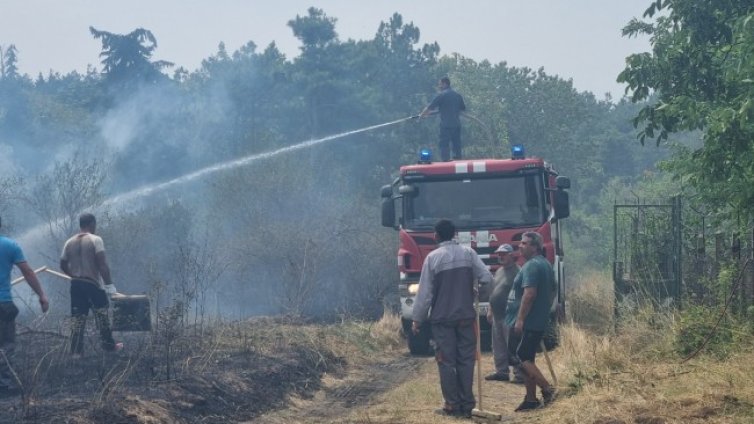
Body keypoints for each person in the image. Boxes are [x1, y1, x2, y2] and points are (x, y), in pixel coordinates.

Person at [411, 219, 493, 418]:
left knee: (446, 362)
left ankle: (452, 405)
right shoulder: (469, 254)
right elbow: (488, 279)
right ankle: (467, 405)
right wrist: (480, 295)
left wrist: (417, 319)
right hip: (466, 317)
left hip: (442, 320)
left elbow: (425, 294)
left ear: (436, 236)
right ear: (455, 233)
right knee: (466, 361)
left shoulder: (432, 258)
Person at [0, 216, 49, 395]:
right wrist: (42, 295)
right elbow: (28, 272)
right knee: (6, 344)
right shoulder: (10, 245)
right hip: (3, 303)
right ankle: (4, 384)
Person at [60, 213, 122, 355]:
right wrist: (109, 285)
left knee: (78, 319)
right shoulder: (96, 240)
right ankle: (108, 346)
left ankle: (76, 352)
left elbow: (62, 264)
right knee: (102, 316)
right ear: (92, 224)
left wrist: (72, 275)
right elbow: (102, 265)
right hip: (93, 285)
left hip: (76, 285)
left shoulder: (69, 242)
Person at [509, 232, 557, 411]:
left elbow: (529, 294)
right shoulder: (545, 264)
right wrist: (545, 310)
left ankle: (548, 389)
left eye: (524, 243)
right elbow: (553, 291)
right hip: (538, 318)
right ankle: (530, 399)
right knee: (528, 358)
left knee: (521, 357)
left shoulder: (531, 266)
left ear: (535, 246)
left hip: (529, 321)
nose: (520, 246)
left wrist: (520, 319)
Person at [485, 243, 525, 383]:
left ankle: (519, 374)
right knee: (498, 345)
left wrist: (519, 315)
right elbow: (494, 291)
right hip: (497, 314)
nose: (500, 256)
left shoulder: (518, 272)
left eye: (503, 254)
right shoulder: (499, 271)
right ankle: (501, 371)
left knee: (513, 346)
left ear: (511, 255)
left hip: (510, 315)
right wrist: (490, 309)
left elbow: (522, 294)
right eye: (499, 254)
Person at [419, 76, 467, 161]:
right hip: (456, 125)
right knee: (456, 144)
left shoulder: (442, 95)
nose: (439, 86)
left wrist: (422, 115)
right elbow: (462, 108)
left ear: (445, 84)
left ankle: (445, 161)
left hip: (446, 125)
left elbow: (430, 107)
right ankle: (458, 159)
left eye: (440, 84)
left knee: (444, 144)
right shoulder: (457, 95)